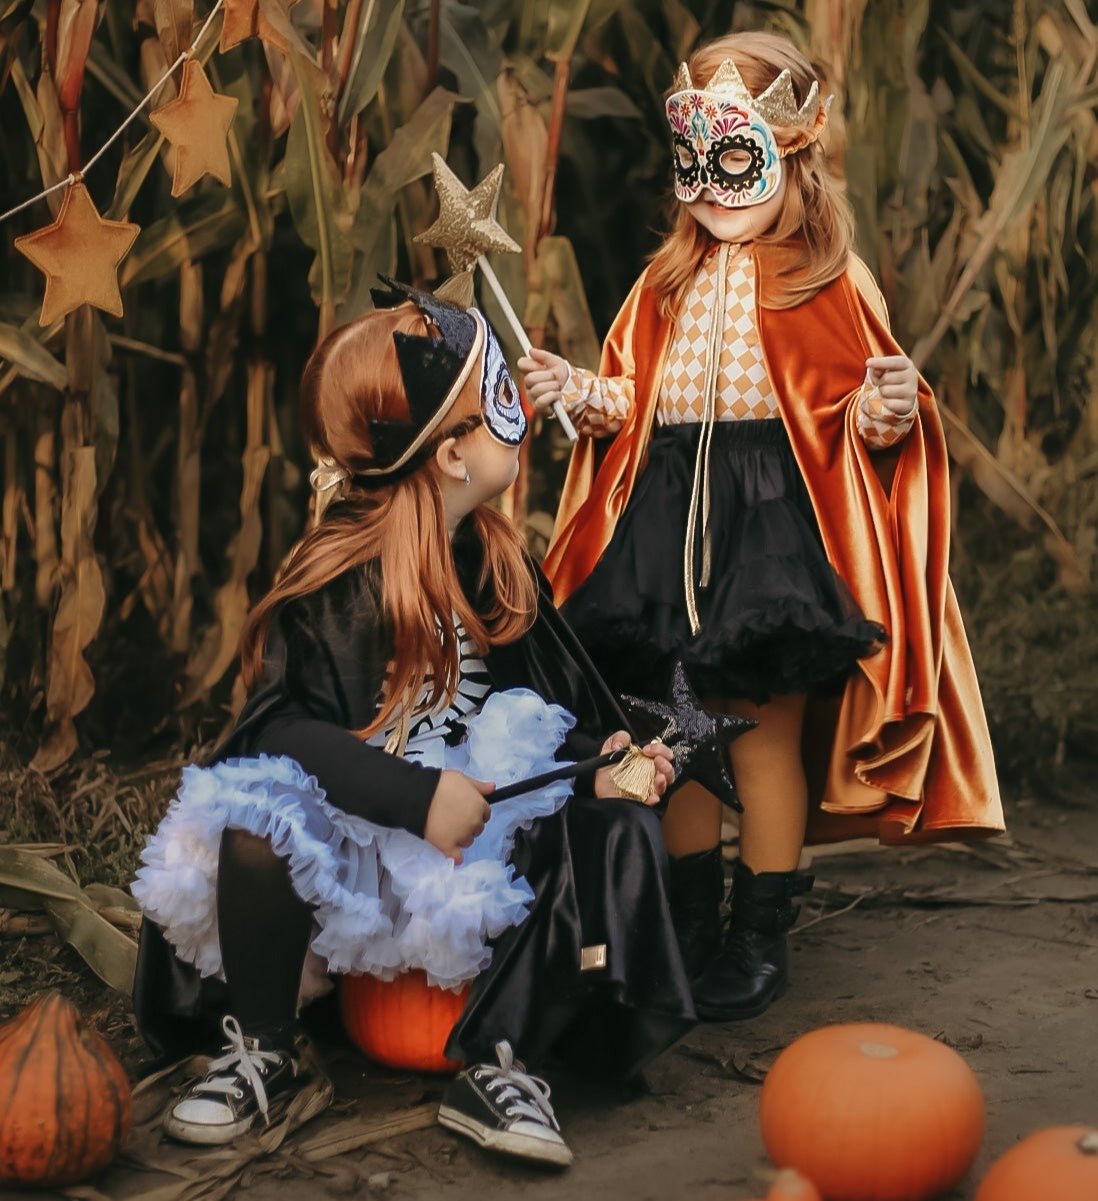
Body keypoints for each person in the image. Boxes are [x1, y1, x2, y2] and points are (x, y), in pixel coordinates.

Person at [131, 283, 694, 1167]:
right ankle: (265, 1045)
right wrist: (414, 795)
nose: (517, 420)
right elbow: (276, 729)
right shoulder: (335, 578)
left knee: (615, 826)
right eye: (496, 404)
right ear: (450, 456)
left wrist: (601, 759)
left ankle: (503, 1054)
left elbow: (547, 710)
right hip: (358, 862)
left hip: (482, 863)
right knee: (254, 812)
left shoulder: (500, 564)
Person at [519, 31, 1004, 1023]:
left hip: (769, 534)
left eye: (733, 158)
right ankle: (690, 914)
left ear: (792, 148)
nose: (709, 185)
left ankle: (758, 925)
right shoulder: (663, 283)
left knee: (754, 734)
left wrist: (885, 409)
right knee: (672, 730)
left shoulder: (825, 282)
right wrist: (580, 392)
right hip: (661, 526)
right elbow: (633, 399)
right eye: (691, 163)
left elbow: (852, 423)